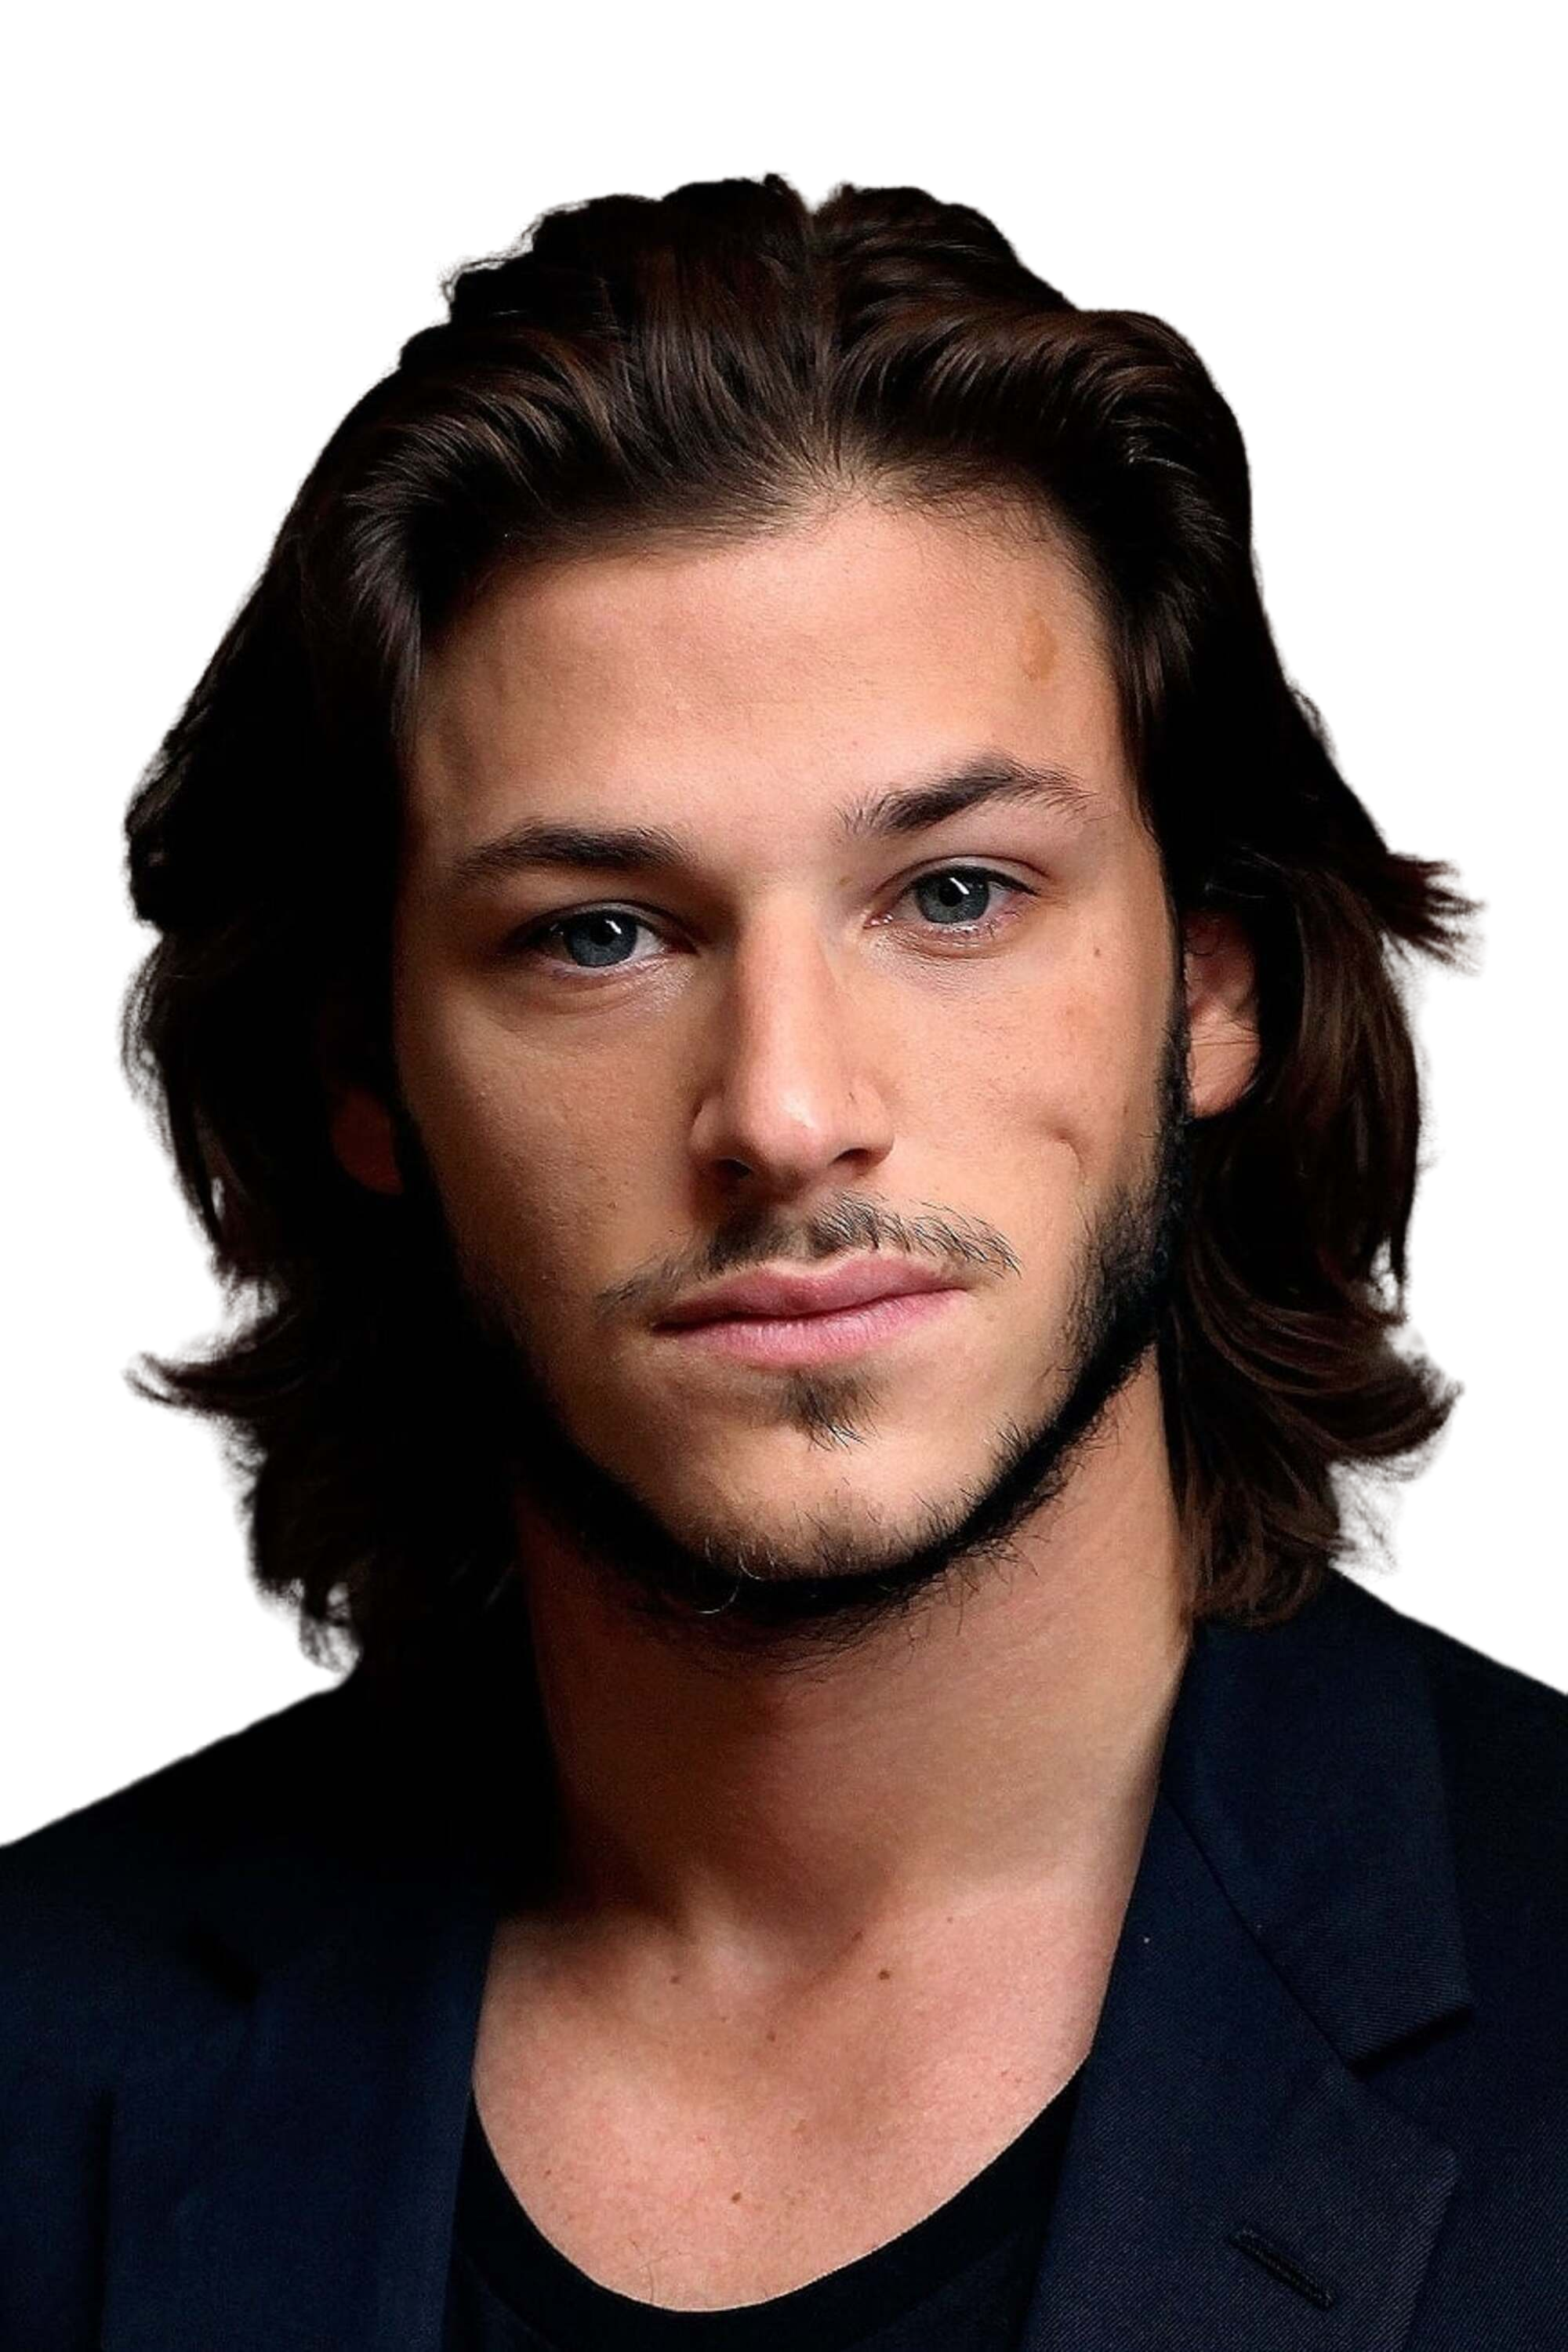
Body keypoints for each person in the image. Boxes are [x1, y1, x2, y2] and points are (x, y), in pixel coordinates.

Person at [5, 172, 1562, 2351]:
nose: (784, 1108)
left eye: (955, 895)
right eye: (598, 935)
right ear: (371, 1081)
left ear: (1214, 989)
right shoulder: (38, 2046)